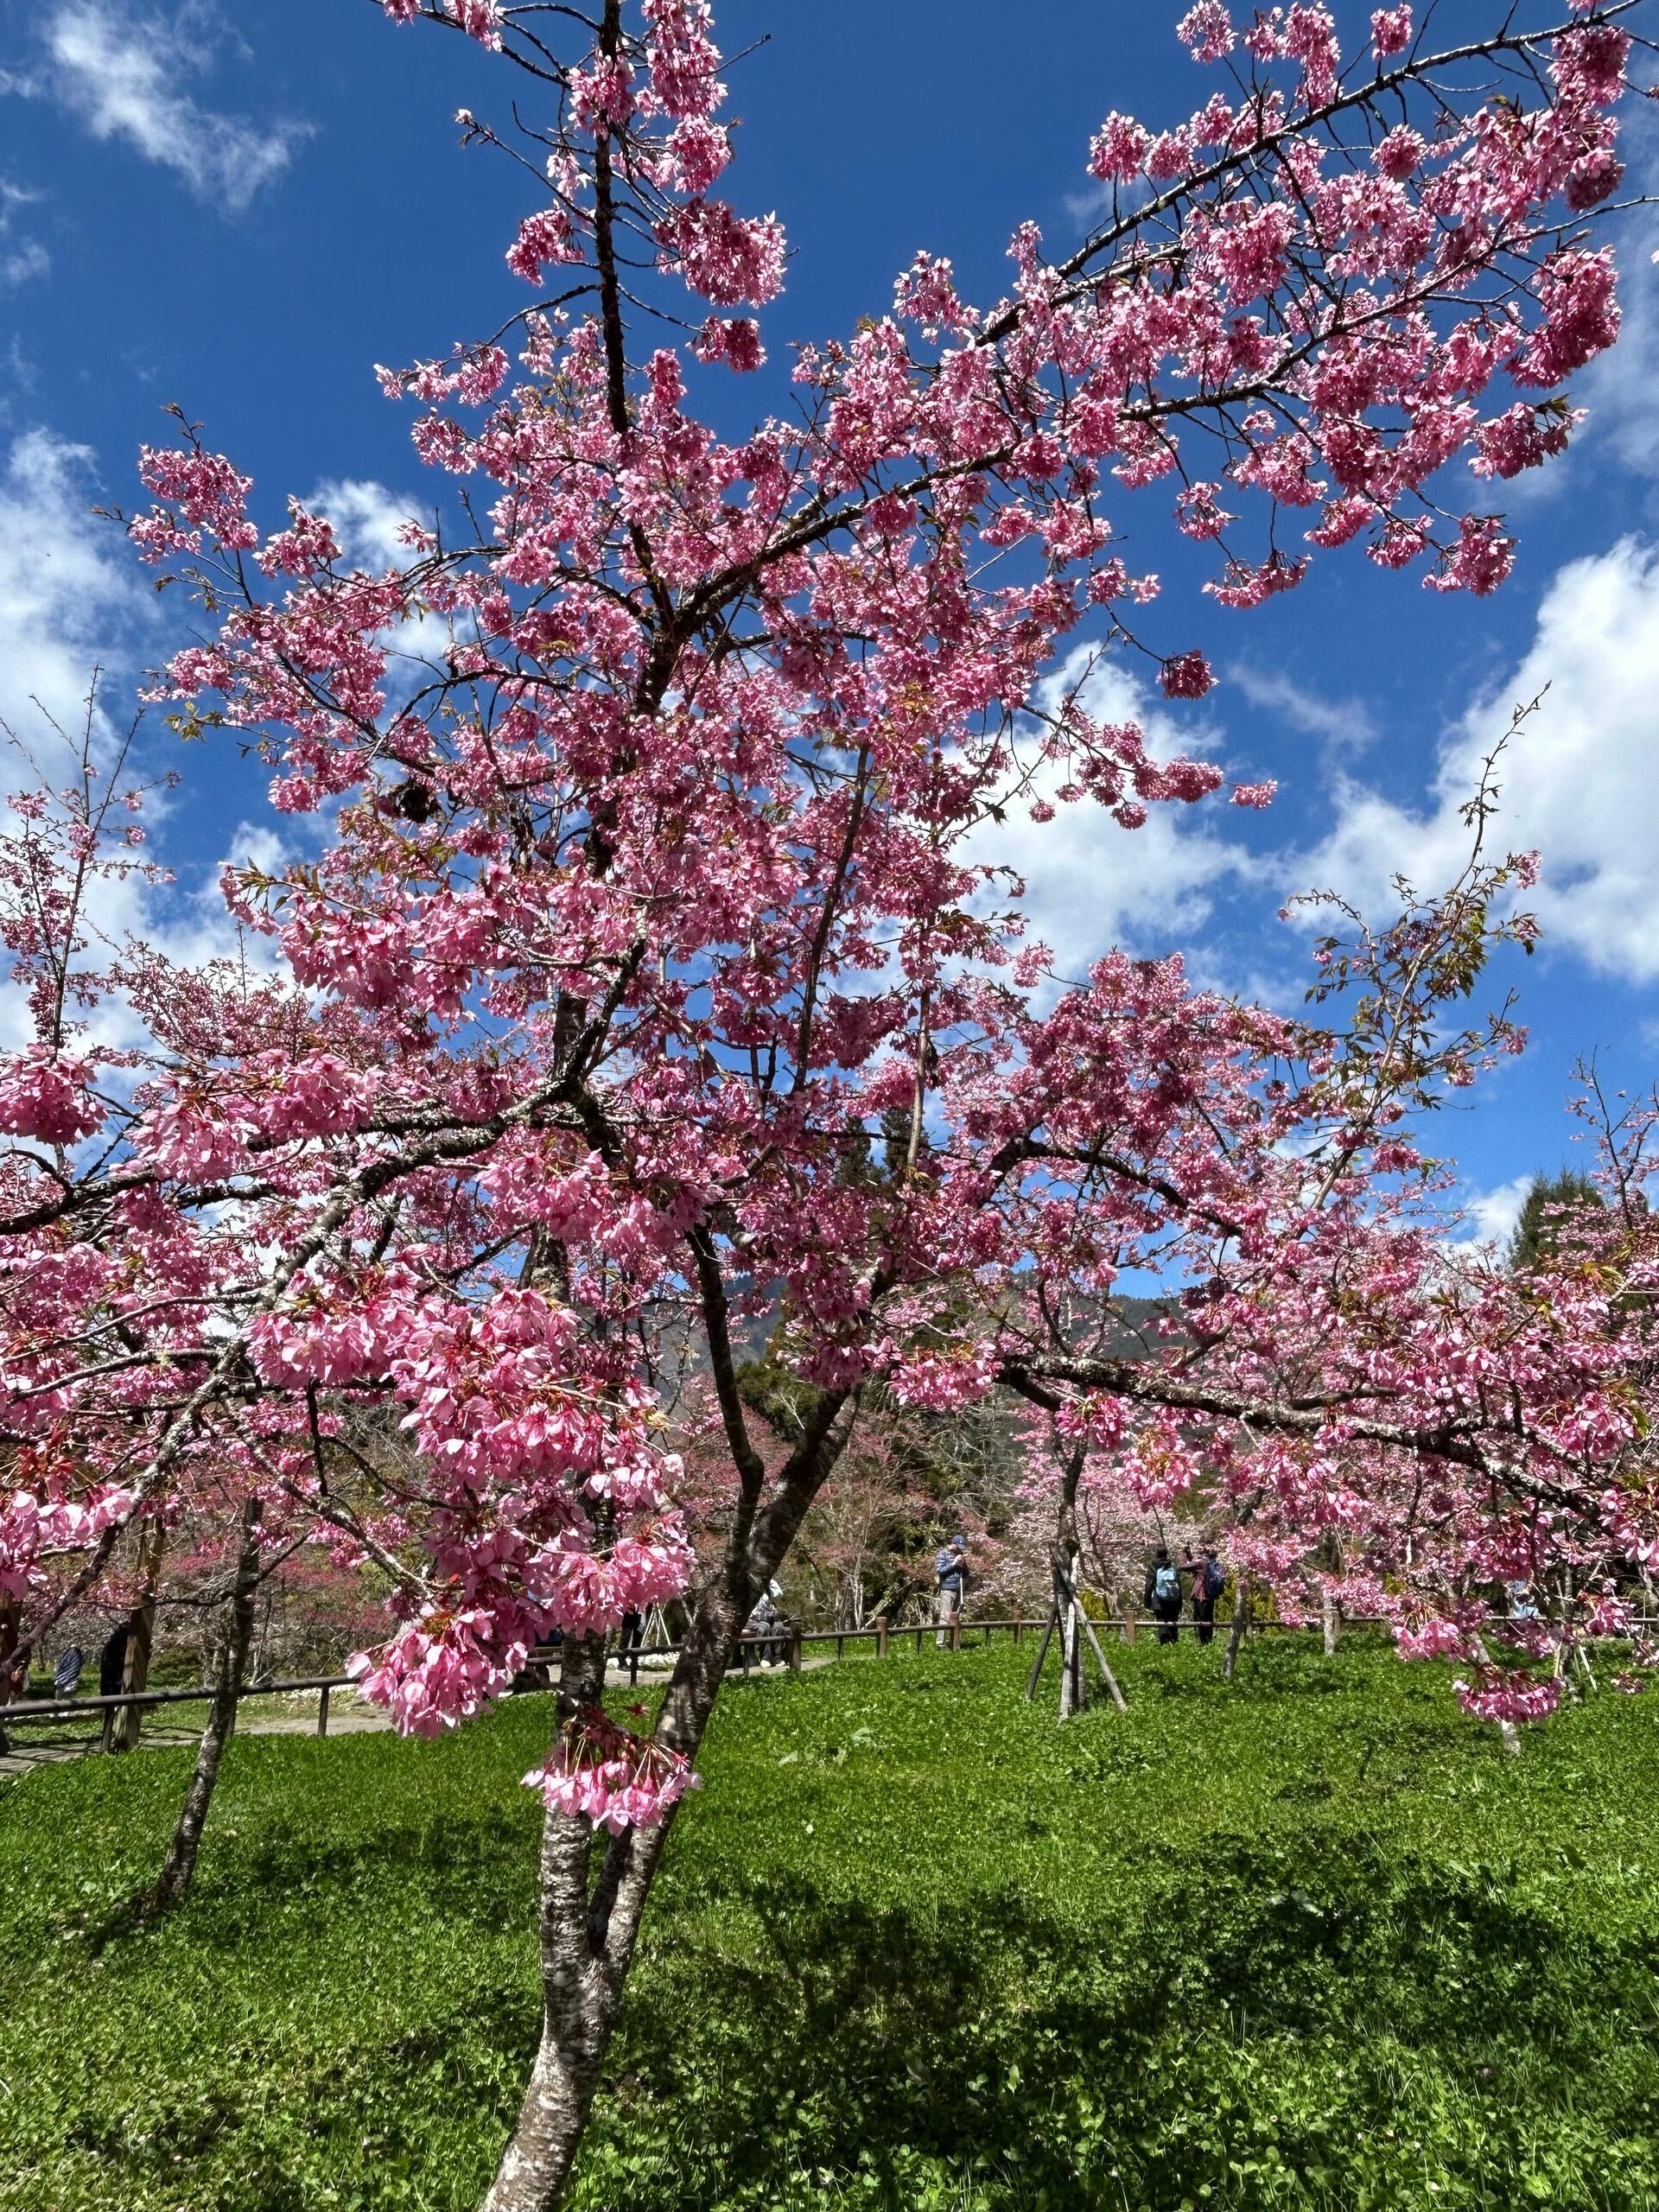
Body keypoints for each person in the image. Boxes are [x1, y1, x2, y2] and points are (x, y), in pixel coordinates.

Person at [1144, 1546, 1184, 1644]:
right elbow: (1179, 1585)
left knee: (1162, 1622)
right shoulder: (1172, 1566)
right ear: (1166, 1554)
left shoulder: (1153, 1566)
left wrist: (1147, 1600)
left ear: (1156, 1553)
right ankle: (1174, 1646)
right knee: (1173, 1622)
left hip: (1159, 1600)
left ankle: (1164, 1646)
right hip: (1173, 1600)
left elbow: (1149, 1584)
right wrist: (1180, 1603)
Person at [934, 1534, 967, 1648]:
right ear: (953, 1544)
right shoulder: (942, 1553)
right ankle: (940, 1643)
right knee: (945, 1616)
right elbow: (940, 1570)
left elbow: (966, 1574)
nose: (960, 1549)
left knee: (956, 1617)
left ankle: (954, 1642)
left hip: (959, 1589)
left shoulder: (960, 1554)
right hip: (947, 1589)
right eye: (958, 1547)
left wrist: (963, 1564)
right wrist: (953, 1563)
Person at [1189, 1548, 1225, 1645]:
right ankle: (1208, 1642)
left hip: (1202, 1596)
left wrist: (1184, 1555)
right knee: (1209, 1619)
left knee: (1200, 1620)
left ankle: (1201, 1643)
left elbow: (1183, 1567)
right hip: (1211, 1596)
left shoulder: (1202, 1563)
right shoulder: (1216, 1564)